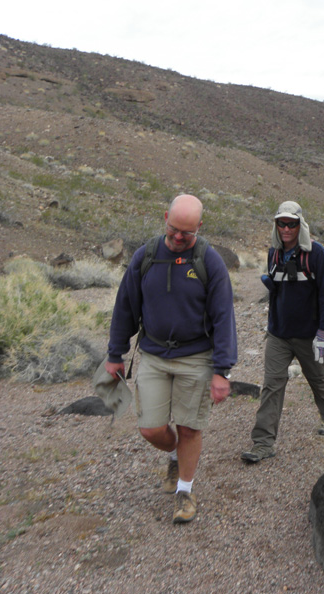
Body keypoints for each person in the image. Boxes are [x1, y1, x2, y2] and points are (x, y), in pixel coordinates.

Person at [105, 194, 237, 524]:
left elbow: (224, 317)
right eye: (174, 229)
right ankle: (177, 454)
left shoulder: (210, 261)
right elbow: (125, 306)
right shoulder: (145, 256)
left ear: (199, 228)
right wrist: (114, 353)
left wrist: (222, 371)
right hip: (152, 353)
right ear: (165, 217)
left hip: (196, 355)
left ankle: (185, 491)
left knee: (191, 427)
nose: (179, 237)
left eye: (187, 233)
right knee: (151, 429)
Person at [241, 201, 324, 463]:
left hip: (309, 335)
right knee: (272, 385)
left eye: (291, 224)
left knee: (319, 381)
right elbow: (277, 295)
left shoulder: (316, 254)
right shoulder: (274, 252)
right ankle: (263, 443)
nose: (286, 228)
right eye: (281, 223)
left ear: (300, 225)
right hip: (279, 334)